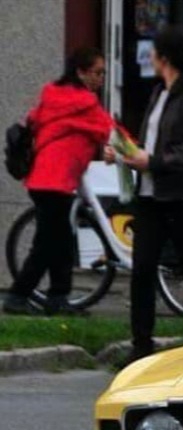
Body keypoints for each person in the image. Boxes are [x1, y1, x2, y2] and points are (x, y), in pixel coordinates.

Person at [111, 26, 183, 363]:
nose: (149, 56)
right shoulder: (160, 94)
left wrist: (154, 160)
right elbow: (154, 145)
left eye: (154, 51)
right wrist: (125, 152)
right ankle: (140, 346)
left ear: (165, 58)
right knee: (143, 268)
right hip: (153, 195)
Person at [4, 47, 112, 315]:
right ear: (81, 72)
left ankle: (57, 297)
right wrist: (139, 152)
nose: (102, 79)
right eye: (98, 73)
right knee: (48, 243)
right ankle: (18, 296)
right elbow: (110, 131)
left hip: (41, 178)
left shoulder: (52, 94)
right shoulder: (86, 103)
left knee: (60, 240)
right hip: (57, 180)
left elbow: (33, 120)